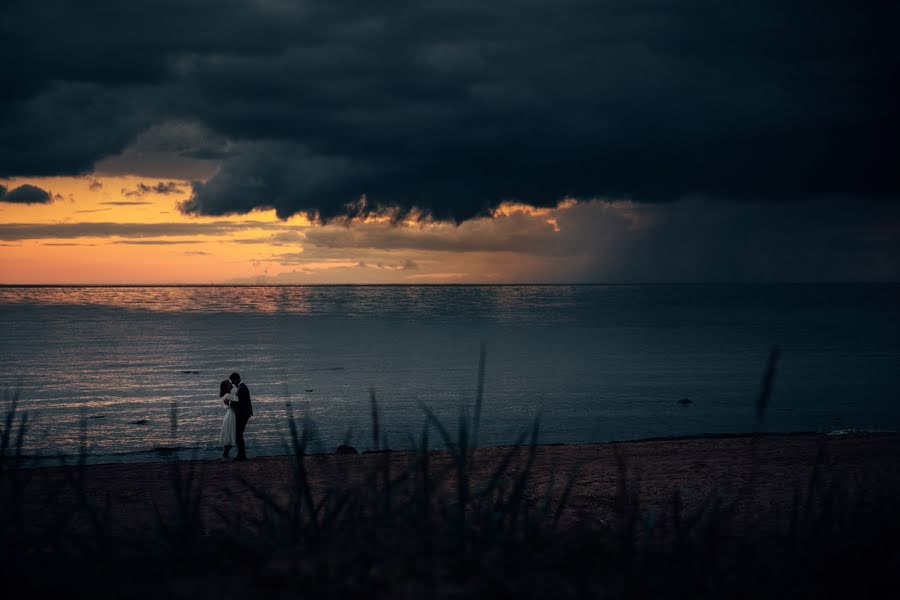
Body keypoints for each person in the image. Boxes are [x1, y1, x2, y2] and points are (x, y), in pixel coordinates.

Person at [228, 372, 253, 461]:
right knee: (238, 434)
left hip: (243, 414)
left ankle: (241, 455)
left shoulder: (242, 388)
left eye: (233, 381)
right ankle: (241, 454)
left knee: (238, 434)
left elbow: (240, 403)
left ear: (237, 379)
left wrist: (231, 403)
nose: (233, 383)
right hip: (244, 413)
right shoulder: (242, 387)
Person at [219, 379, 238, 458]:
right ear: (227, 387)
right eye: (229, 384)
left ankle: (225, 454)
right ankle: (225, 454)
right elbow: (237, 399)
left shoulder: (228, 394)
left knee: (231, 434)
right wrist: (238, 389)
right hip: (231, 415)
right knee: (231, 435)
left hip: (231, 414)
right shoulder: (227, 395)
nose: (231, 384)